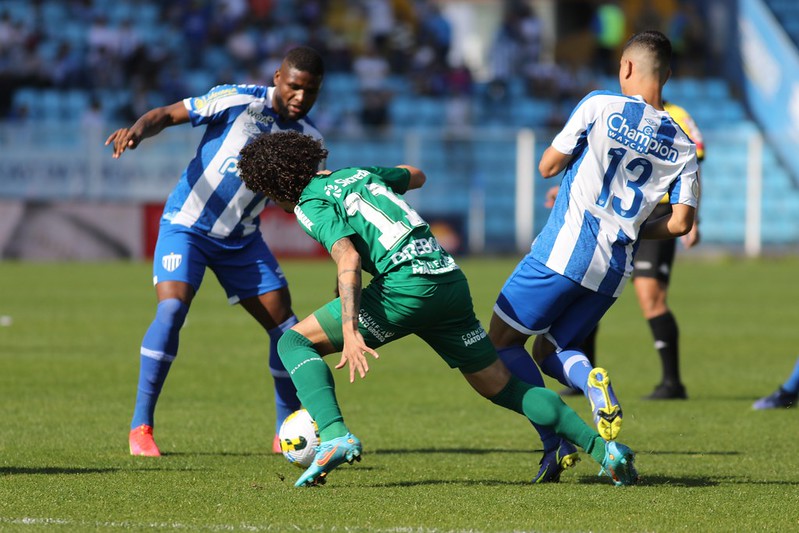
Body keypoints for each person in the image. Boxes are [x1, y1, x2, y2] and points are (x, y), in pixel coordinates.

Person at [236, 129, 639, 488]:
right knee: (505, 388)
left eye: (268, 192)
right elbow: (415, 175)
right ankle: (607, 453)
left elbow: (348, 258)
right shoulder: (355, 175)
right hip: (448, 280)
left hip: (405, 288)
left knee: (292, 343)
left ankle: (334, 433)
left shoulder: (310, 202)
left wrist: (351, 330)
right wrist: (383, 181)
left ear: (276, 184)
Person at [488, 30, 700, 460]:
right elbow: (679, 224)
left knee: (501, 344)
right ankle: (590, 382)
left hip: (562, 252)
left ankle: (554, 438)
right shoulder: (683, 145)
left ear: (626, 67)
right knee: (551, 350)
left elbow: (547, 166)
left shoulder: (600, 104)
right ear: (669, 75)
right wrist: (637, 227)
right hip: (614, 269)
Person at [105, 46, 325, 457]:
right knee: (171, 311)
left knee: (289, 332)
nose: (300, 97)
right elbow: (167, 114)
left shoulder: (309, 140)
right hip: (187, 226)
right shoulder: (237, 100)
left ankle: (286, 430)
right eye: (295, 87)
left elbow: (299, 201)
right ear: (278, 76)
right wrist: (137, 129)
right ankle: (141, 428)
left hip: (242, 241)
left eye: (310, 92)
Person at [557, 100, 705, 400]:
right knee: (589, 287)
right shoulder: (617, 111)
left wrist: (693, 216)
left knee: (650, 296)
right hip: (614, 214)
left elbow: (694, 163)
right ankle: (582, 376)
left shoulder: (677, 116)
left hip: (658, 215)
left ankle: (672, 382)